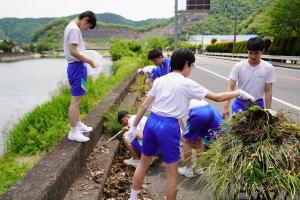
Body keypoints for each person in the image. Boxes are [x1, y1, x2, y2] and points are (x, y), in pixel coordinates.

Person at [126, 48, 255, 200]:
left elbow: (144, 106)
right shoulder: (187, 83)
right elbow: (217, 97)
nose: (191, 70)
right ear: (187, 64)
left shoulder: (160, 80)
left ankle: (132, 198)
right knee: (172, 174)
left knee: (142, 164)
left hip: (152, 121)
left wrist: (133, 128)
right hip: (168, 126)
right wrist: (239, 93)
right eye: (192, 66)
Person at [223, 37, 276, 119]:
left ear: (262, 51)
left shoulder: (268, 68)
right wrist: (226, 107)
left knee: (257, 131)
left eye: (256, 53)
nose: (253, 56)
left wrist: (268, 111)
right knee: (237, 130)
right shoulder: (239, 66)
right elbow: (230, 87)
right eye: (250, 53)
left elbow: (268, 90)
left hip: (258, 104)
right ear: (247, 51)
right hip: (240, 104)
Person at [64, 11, 97, 142]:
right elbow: (73, 51)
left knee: (79, 97)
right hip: (76, 66)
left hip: (78, 66)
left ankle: (78, 124)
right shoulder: (74, 29)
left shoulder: (71, 27)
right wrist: (89, 61)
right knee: (75, 102)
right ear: (86, 19)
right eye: (88, 26)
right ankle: (73, 131)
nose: (86, 29)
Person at [178, 99, 223, 178]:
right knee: (199, 139)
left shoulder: (174, 96)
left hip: (198, 113)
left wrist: (184, 133)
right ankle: (199, 167)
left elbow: (178, 118)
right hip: (209, 109)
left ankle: (188, 170)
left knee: (186, 140)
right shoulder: (189, 88)